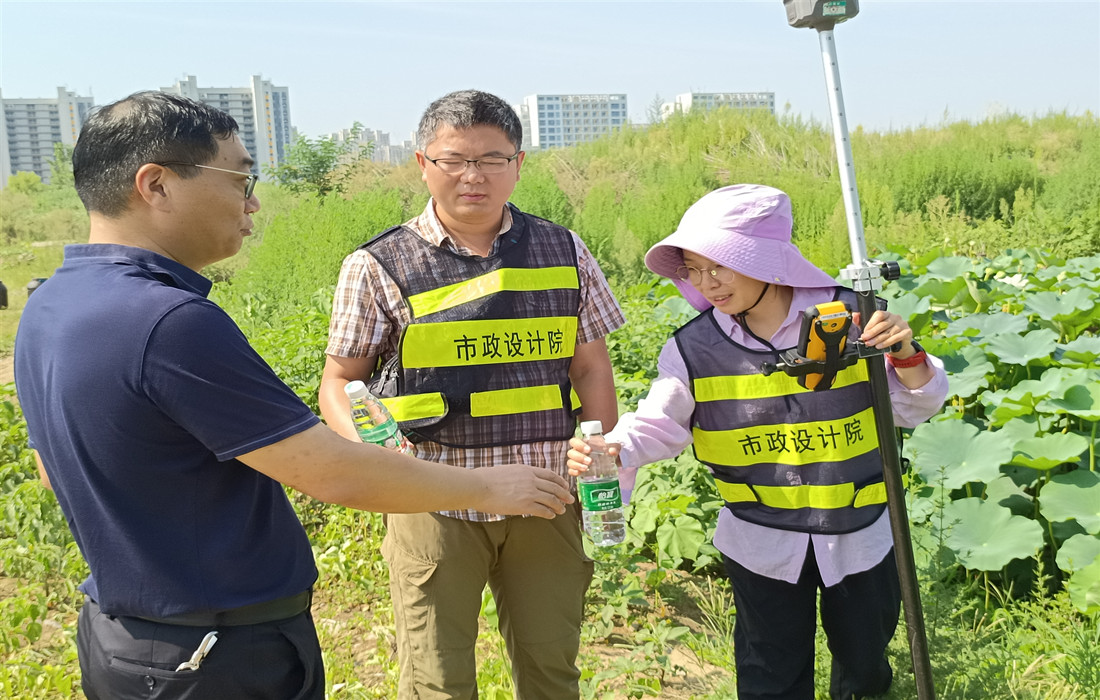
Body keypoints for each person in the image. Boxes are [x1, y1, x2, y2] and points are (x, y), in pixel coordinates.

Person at [13, 91, 573, 700]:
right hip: (213, 654)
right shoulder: (170, 323)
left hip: (124, 640)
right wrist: (493, 486)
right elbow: (331, 474)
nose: (251, 202)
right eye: (240, 179)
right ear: (156, 185)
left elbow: (53, 470)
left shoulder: (49, 305)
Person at [567, 184, 949, 700]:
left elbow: (915, 407)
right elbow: (660, 420)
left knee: (864, 674)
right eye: (695, 270)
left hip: (861, 536)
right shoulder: (692, 348)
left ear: (768, 262)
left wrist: (906, 354)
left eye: (719, 265)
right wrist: (616, 447)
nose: (708, 283)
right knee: (770, 679)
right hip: (760, 543)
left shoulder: (851, 318)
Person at [318, 89, 624, 699]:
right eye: (453, 159)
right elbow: (337, 383)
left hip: (547, 495)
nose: (473, 176)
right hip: (433, 497)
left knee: (551, 668)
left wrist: (601, 454)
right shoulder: (379, 264)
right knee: (437, 676)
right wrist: (380, 458)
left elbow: (591, 369)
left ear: (518, 164)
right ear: (422, 164)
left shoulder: (564, 250)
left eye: (492, 158)